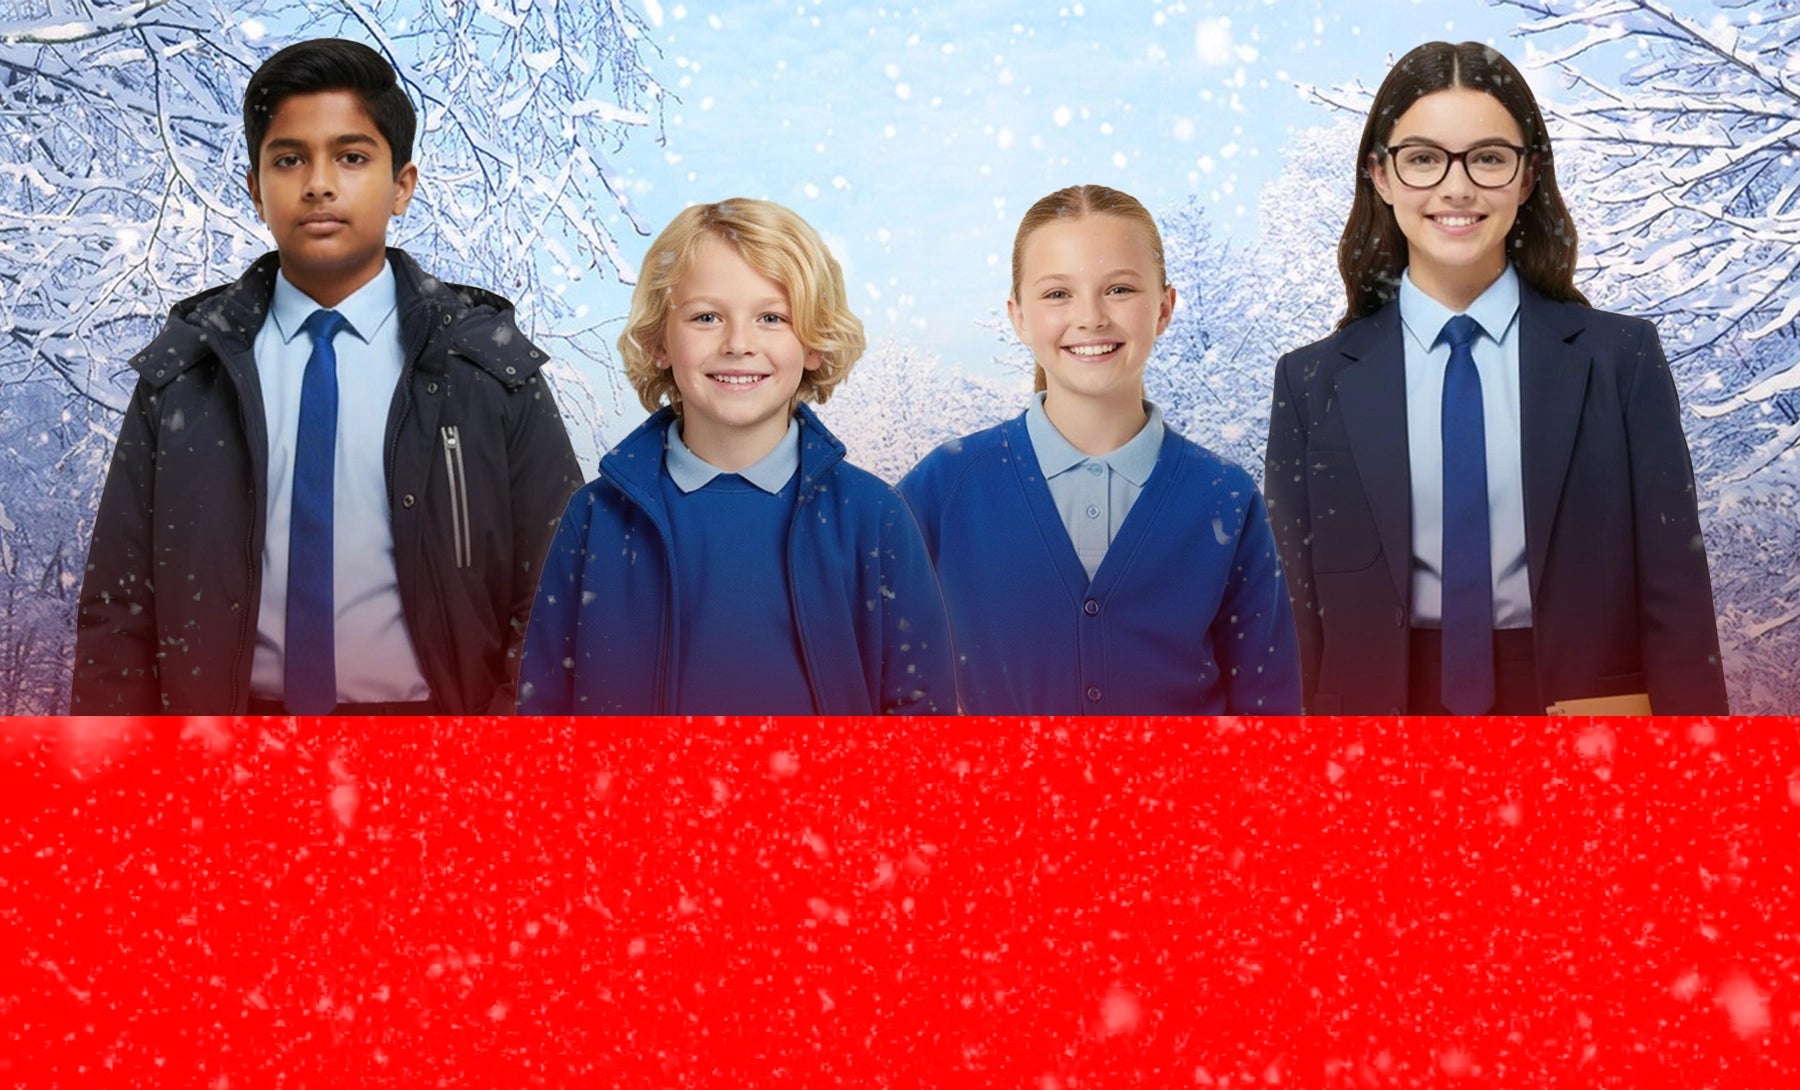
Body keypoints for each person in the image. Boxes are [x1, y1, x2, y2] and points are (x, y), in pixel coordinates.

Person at [71, 38, 582, 715]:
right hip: (224, 767)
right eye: (289, 159)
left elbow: (560, 601)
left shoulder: (486, 365)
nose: (318, 182)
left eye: (351, 156)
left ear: (403, 185)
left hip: (435, 766)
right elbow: (118, 613)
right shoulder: (187, 373)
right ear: (256, 189)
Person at [1264, 41, 1728, 715]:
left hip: (1582, 718)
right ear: (1381, 175)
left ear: (1528, 176)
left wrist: (1701, 790)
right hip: (1372, 731)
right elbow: (1294, 617)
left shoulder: (1619, 359)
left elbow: (1677, 600)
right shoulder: (1311, 384)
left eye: (1488, 158)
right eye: (1422, 158)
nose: (1457, 187)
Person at [516, 199, 954, 714]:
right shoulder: (596, 520)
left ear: (813, 343)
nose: (739, 343)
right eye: (706, 316)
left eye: (772, 317)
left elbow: (923, 716)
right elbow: (544, 715)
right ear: (660, 341)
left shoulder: (873, 518)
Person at [899, 185, 1301, 715]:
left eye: (1119, 289)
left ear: (1164, 308)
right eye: (1058, 294)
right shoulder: (944, 488)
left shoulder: (1224, 496)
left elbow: (1267, 703)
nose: (1090, 317)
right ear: (1018, 316)